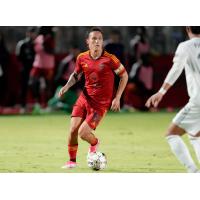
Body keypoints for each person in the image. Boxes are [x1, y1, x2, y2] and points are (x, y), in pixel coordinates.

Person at [58, 27, 128, 169]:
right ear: (88, 41)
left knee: (83, 133)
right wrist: (66, 86)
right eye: (94, 39)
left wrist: (117, 97)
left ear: (102, 42)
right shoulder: (81, 57)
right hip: (84, 98)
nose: (97, 41)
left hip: (100, 104)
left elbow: (124, 75)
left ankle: (95, 143)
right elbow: (76, 75)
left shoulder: (110, 59)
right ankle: (72, 161)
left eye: (100, 39)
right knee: (72, 130)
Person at [145, 27, 200, 173]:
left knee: (172, 134)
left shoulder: (185, 46)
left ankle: (193, 171)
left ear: (187, 28)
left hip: (198, 101)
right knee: (195, 135)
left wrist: (161, 92)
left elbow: (176, 69)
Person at [29, 26, 55, 111]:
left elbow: (51, 50)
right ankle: (37, 102)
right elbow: (34, 50)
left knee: (47, 86)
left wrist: (45, 43)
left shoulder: (51, 38)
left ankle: (47, 105)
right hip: (38, 64)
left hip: (48, 66)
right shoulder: (38, 38)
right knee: (32, 82)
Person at [16, 27, 37, 110]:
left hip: (34, 70)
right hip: (25, 69)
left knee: (35, 86)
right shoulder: (22, 44)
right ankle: (23, 106)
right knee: (24, 87)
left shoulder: (36, 44)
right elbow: (18, 57)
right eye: (31, 33)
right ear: (27, 33)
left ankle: (37, 105)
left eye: (34, 33)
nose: (33, 35)